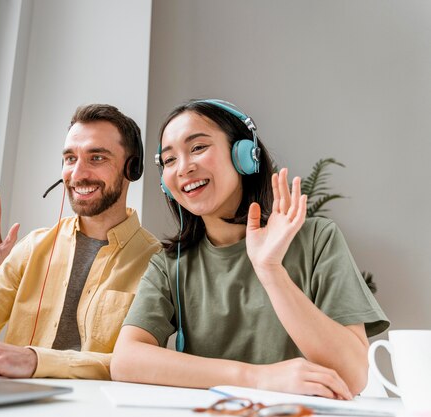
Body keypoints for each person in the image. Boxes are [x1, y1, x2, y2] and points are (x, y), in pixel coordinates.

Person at [110, 99, 389, 398]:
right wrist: (255, 377)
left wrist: (270, 270)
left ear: (244, 155)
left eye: (198, 148)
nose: (184, 168)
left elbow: (354, 374)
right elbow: (126, 360)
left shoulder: (317, 239)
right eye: (169, 160)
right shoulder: (170, 264)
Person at [0, 104, 160, 380]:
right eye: (70, 158)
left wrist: (35, 361)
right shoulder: (33, 248)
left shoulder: (157, 263)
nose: (77, 174)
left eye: (96, 158)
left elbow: (137, 365)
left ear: (131, 168)